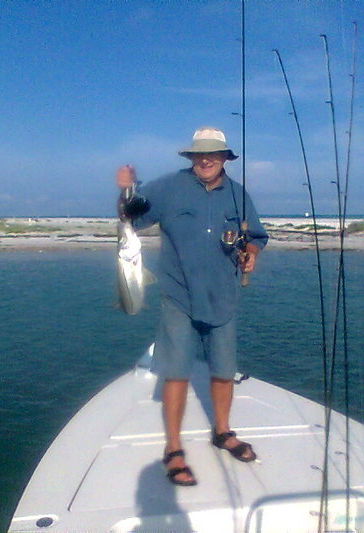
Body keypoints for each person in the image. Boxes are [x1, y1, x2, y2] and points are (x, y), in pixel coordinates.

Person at [116, 127, 268, 486]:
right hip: (179, 296)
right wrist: (126, 190)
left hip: (223, 296)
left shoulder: (239, 194)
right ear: (191, 157)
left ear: (225, 158)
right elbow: (132, 217)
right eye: (200, 154)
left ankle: (222, 431)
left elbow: (256, 237)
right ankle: (173, 448)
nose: (206, 159)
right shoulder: (169, 187)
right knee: (177, 373)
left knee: (224, 371)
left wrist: (251, 254)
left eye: (213, 154)